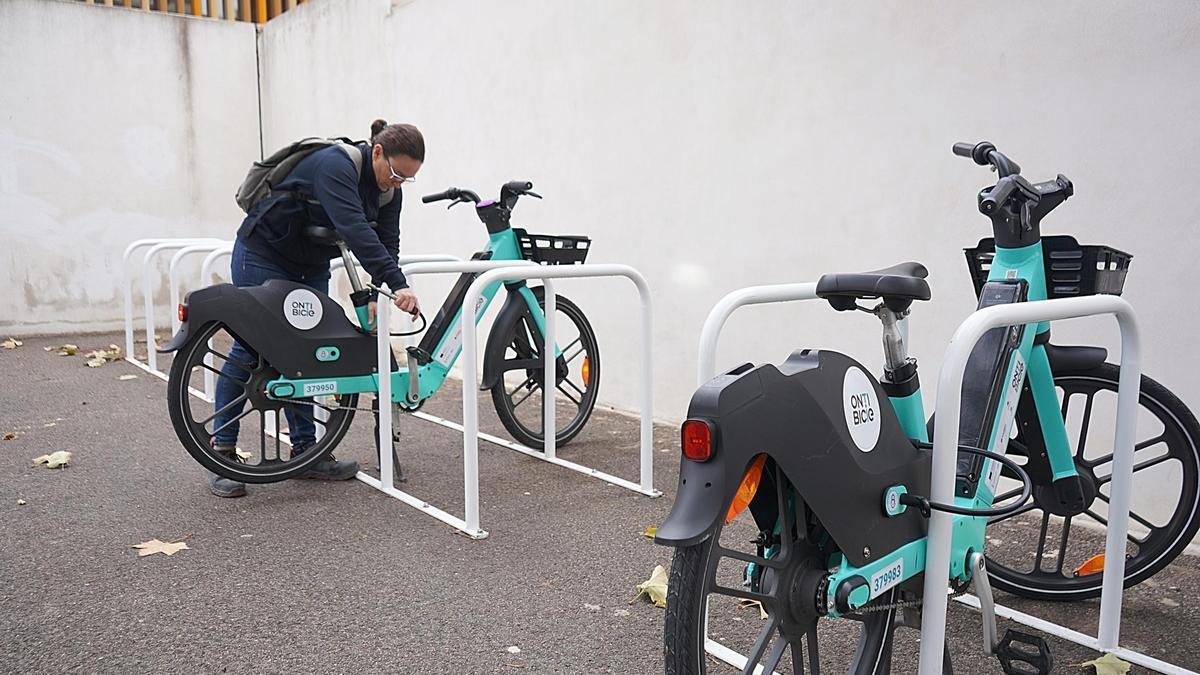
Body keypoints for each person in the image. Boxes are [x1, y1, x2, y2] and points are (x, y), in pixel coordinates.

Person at [207, 120, 424, 498]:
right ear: (377, 152)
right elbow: (355, 228)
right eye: (395, 173)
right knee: (250, 349)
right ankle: (221, 453)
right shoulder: (334, 165)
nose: (398, 183)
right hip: (263, 254)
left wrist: (377, 291)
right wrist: (399, 283)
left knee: (308, 353)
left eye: (407, 178)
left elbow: (387, 241)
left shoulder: (391, 192)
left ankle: (307, 454)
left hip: (311, 265)